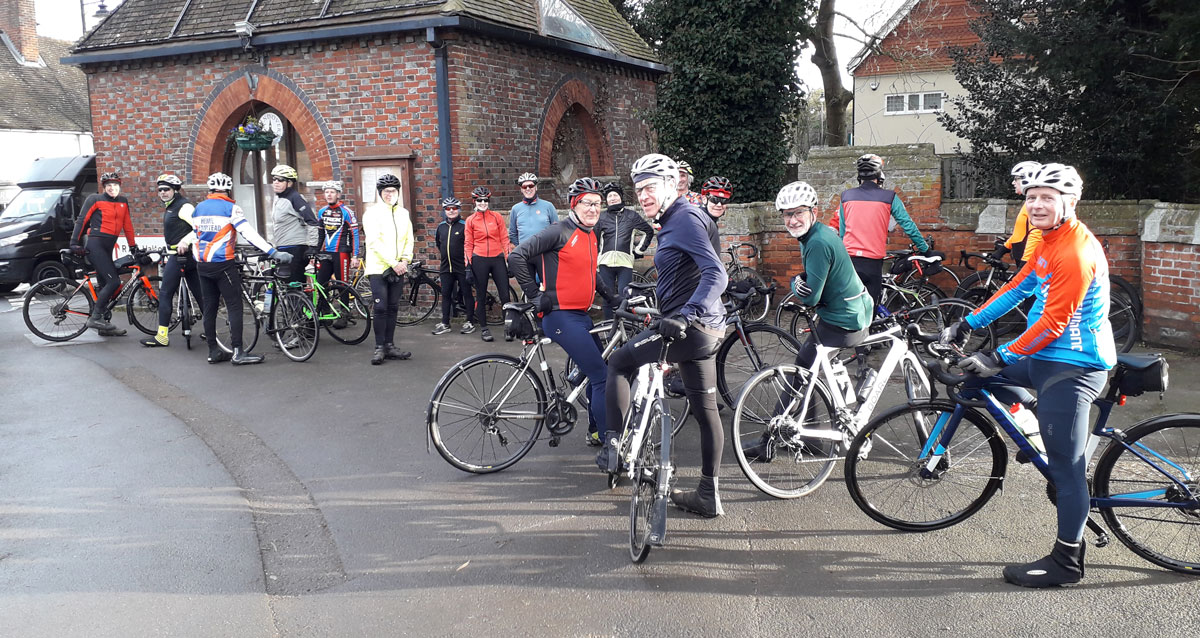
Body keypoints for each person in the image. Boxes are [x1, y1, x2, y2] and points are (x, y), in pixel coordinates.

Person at [940, 163, 1115, 588]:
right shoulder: (1048, 240)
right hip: (1045, 357)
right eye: (1031, 197)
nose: (1036, 204)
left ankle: (1067, 563)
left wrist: (998, 355)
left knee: (1067, 471)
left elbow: (1054, 324)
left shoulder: (1075, 251)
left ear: (1069, 203)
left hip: (1074, 366)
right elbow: (1018, 287)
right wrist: (970, 323)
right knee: (976, 379)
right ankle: (1040, 421)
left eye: (1047, 198)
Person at [604, 153, 728, 517]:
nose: (643, 195)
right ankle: (708, 494)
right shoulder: (674, 219)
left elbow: (716, 275)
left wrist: (685, 315)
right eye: (639, 189)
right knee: (706, 413)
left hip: (690, 329)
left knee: (618, 362)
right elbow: (684, 273)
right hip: (704, 331)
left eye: (650, 187)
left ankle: (614, 444)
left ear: (672, 185)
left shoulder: (685, 217)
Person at [742, 182, 873, 461]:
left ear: (813, 211)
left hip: (842, 321)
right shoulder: (819, 234)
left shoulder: (817, 242)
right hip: (853, 314)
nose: (792, 220)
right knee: (807, 371)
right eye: (786, 215)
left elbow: (810, 297)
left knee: (799, 374)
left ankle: (769, 443)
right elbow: (815, 278)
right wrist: (800, 279)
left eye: (798, 212)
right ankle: (813, 438)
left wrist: (794, 281)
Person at [509, 178, 613, 450]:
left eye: (598, 204)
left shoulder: (591, 234)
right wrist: (534, 294)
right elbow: (517, 256)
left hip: (581, 316)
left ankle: (594, 431)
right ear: (574, 205)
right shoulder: (559, 231)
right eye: (587, 203)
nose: (593, 209)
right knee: (602, 376)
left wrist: (614, 296)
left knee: (595, 373)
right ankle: (608, 441)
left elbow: (592, 274)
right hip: (560, 316)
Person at [178, 173, 291, 365]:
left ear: (210, 189)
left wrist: (186, 246)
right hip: (223, 263)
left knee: (210, 307)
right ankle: (239, 353)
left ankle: (213, 351)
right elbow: (248, 233)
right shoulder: (231, 208)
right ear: (228, 189)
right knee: (234, 306)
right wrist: (272, 252)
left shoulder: (199, 209)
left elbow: (196, 235)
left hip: (203, 265)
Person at [837, 153, 929, 313]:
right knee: (870, 311)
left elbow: (843, 232)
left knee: (849, 309)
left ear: (859, 177)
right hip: (873, 263)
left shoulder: (846, 197)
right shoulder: (889, 197)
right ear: (880, 176)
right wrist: (925, 249)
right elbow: (908, 225)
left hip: (849, 261)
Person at [70, 171, 138, 335]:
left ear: (119, 186)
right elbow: (82, 220)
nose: (112, 188)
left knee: (106, 285)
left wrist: (133, 246)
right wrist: (73, 242)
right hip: (96, 245)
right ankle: (95, 318)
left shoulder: (123, 201)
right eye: (108, 185)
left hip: (108, 247)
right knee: (113, 282)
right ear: (104, 187)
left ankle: (104, 326)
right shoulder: (95, 199)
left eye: (115, 185)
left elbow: (127, 225)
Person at [141, 174, 203, 347]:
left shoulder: (184, 207)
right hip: (184, 256)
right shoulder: (172, 206)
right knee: (200, 294)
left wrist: (185, 241)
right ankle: (210, 329)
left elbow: (199, 228)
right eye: (160, 190)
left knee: (166, 293)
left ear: (175, 190)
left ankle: (162, 336)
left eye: (166, 189)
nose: (162, 192)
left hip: (183, 256)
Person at [362, 173, 414, 365]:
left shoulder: (403, 213)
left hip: (398, 267)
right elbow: (373, 242)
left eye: (393, 191)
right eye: (386, 191)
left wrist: (405, 260)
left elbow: (409, 238)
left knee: (393, 307)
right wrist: (393, 262)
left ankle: (390, 345)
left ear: (398, 192)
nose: (389, 194)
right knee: (381, 307)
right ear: (380, 193)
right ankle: (379, 347)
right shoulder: (372, 213)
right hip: (378, 267)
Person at [596, 181, 654, 320]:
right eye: (610, 196)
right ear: (606, 200)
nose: (613, 198)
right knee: (607, 299)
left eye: (615, 195)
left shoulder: (631, 216)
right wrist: (596, 259)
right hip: (605, 264)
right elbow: (594, 240)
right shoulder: (601, 217)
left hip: (625, 263)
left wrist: (639, 251)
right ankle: (609, 327)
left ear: (621, 197)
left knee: (625, 297)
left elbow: (648, 231)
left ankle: (626, 328)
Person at [464, 186, 511, 343]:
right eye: (480, 200)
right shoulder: (470, 221)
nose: (483, 202)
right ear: (475, 201)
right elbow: (468, 244)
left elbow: (505, 238)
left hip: (497, 258)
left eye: (485, 200)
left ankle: (508, 328)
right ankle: (484, 329)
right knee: (481, 295)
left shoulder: (496, 217)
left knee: (505, 295)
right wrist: (468, 266)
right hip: (479, 259)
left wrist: (508, 258)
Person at [314, 180, 361, 328]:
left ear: (338, 194)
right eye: (326, 192)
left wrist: (355, 255)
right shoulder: (322, 212)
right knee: (321, 284)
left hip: (341, 253)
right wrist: (315, 253)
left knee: (342, 285)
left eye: (332, 192)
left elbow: (355, 235)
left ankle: (345, 314)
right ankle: (325, 313)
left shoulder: (347, 212)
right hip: (327, 253)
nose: (329, 194)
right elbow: (320, 235)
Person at [432, 197, 476, 335]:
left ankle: (470, 321)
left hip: (462, 266)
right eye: (448, 208)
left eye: (454, 208)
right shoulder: (441, 227)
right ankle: (445, 323)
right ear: (444, 210)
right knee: (445, 294)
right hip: (446, 267)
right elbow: (439, 244)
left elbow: (470, 245)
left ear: (459, 210)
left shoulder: (464, 225)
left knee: (467, 293)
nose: (451, 211)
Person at [269, 164, 318, 284]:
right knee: (286, 286)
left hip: (295, 248)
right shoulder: (279, 199)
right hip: (283, 247)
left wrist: (312, 246)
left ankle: (301, 303)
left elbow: (311, 220)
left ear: (289, 183)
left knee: (293, 284)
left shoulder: (295, 198)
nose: (276, 182)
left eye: (280, 180)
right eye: (274, 179)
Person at [995, 161, 1043, 267]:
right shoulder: (1028, 203)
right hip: (1021, 257)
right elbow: (1020, 234)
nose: (1013, 182)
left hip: (1029, 261)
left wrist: (1025, 263)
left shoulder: (1035, 204)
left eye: (1016, 178)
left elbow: (1036, 233)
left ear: (1027, 180)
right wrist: (1003, 249)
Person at [508, 172, 557, 247]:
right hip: (525, 254)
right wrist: (519, 250)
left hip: (544, 252)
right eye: (524, 187)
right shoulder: (515, 209)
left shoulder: (548, 206)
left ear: (536, 187)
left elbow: (556, 230)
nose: (528, 189)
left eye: (531, 186)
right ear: (521, 189)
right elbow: (513, 233)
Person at [699, 175, 732, 255]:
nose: (719, 204)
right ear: (704, 199)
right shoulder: (700, 222)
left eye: (724, 200)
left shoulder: (709, 221)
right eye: (715, 199)